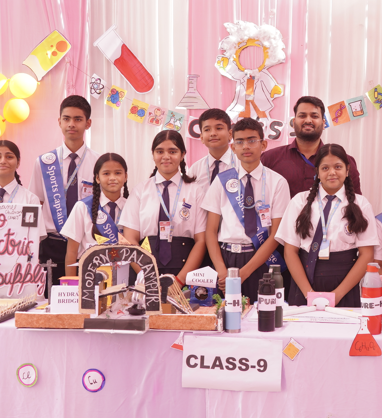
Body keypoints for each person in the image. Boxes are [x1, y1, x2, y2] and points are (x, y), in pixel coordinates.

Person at [277, 144, 378, 307]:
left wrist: (338, 295)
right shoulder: (299, 202)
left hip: (345, 285)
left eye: (338, 167)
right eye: (325, 168)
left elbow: (366, 254)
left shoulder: (361, 205)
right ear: (317, 172)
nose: (332, 172)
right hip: (304, 282)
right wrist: (308, 293)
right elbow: (290, 251)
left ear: (347, 170)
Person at [203, 117, 291, 302]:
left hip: (260, 260)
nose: (246, 146)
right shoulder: (222, 180)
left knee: (262, 314)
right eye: (240, 142)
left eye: (252, 140)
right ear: (233, 147)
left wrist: (245, 272)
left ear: (263, 144)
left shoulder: (278, 182)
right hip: (225, 259)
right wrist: (222, 271)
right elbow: (210, 231)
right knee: (225, 314)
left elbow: (276, 234)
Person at [122, 131, 208, 283]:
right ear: (153, 154)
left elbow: (201, 240)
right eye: (160, 151)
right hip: (144, 270)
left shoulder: (196, 191)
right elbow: (129, 239)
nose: (166, 156)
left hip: (185, 271)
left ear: (182, 155)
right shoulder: (140, 191)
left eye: (172, 151)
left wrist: (180, 280)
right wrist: (147, 276)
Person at [32, 96, 96, 288]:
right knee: (50, 299)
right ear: (59, 122)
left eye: (78, 119)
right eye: (66, 119)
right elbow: (37, 203)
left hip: (86, 244)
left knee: (87, 299)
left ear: (88, 123)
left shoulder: (99, 163)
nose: (71, 124)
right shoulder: (44, 162)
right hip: (52, 244)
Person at [261, 96, 362, 195]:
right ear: (294, 122)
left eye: (314, 116)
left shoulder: (344, 161)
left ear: (323, 123)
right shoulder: (269, 159)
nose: (308, 120)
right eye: (302, 116)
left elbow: (355, 201)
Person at [61, 153, 133, 275]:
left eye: (117, 173)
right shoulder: (82, 207)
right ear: (97, 178)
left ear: (125, 177)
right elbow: (71, 252)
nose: (112, 178)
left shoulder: (132, 207)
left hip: (125, 275)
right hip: (90, 276)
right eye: (106, 173)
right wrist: (72, 283)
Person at [186, 108, 238, 184]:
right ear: (202, 137)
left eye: (219, 128)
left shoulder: (242, 164)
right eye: (207, 130)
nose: (213, 133)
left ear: (230, 134)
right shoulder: (195, 170)